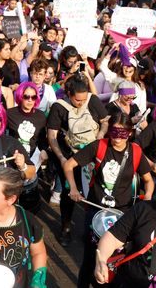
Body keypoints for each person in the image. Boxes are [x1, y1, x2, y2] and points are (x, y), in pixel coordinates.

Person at [63, 111, 154, 288]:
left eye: (122, 134)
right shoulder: (99, 146)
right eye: (114, 132)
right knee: (91, 257)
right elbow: (69, 165)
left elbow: (148, 180)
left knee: (117, 258)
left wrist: (148, 197)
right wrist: (73, 188)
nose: (117, 138)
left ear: (129, 133)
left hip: (123, 214)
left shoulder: (135, 152)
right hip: (96, 210)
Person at [47, 74, 106, 244]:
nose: (81, 103)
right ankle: (65, 226)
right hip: (69, 154)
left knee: (94, 190)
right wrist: (60, 157)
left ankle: (92, 227)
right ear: (69, 94)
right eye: (77, 100)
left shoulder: (92, 100)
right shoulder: (59, 107)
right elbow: (52, 135)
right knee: (69, 192)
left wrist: (100, 136)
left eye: (83, 99)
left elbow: (105, 121)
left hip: (93, 153)